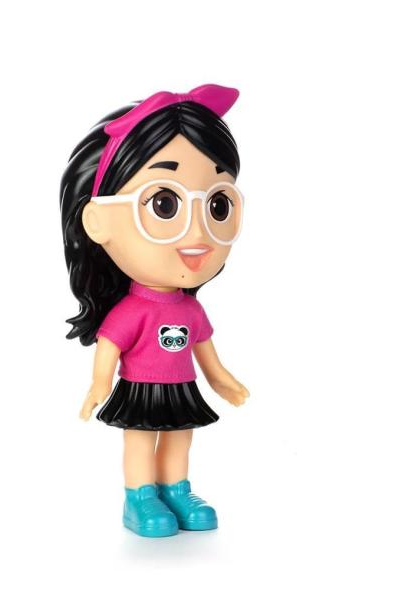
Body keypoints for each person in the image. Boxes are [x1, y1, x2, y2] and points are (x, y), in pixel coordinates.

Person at [59, 84, 250, 537]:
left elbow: (206, 352)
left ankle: (176, 490)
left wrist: (221, 379)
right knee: (142, 441)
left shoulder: (190, 311)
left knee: (180, 439)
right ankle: (140, 497)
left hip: (181, 387)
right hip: (141, 389)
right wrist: (99, 384)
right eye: (165, 204)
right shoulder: (132, 312)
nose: (198, 231)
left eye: (218, 204)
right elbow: (109, 348)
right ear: (98, 220)